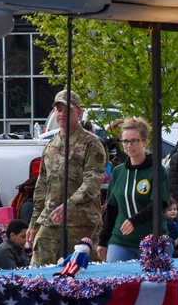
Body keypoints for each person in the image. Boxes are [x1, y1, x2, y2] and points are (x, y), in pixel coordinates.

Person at [27, 91, 108, 267]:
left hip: (82, 223)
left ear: (79, 112)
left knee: (85, 276)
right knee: (38, 272)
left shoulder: (91, 143)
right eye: (58, 109)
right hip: (50, 220)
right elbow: (42, 186)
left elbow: (93, 182)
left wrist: (70, 205)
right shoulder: (51, 145)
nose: (62, 114)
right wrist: (34, 222)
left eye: (67, 110)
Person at [99, 117, 170, 263]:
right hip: (120, 241)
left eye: (134, 141)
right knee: (114, 281)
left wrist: (134, 221)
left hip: (152, 239)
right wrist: (103, 240)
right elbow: (112, 209)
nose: (129, 145)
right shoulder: (118, 172)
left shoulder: (157, 170)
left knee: (153, 283)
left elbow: (159, 203)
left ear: (144, 142)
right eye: (125, 141)